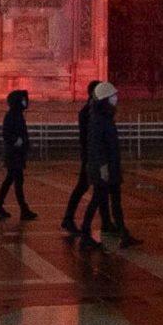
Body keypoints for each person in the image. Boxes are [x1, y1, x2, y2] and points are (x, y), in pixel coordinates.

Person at [77, 80, 134, 250]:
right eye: (113, 95)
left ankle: (123, 233)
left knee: (115, 201)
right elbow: (96, 145)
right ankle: (85, 234)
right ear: (105, 98)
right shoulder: (97, 119)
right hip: (103, 167)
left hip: (110, 165)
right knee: (97, 200)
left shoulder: (106, 116)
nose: (116, 98)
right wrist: (102, 167)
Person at [61, 80, 102, 234]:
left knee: (85, 188)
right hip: (92, 156)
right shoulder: (89, 112)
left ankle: (69, 219)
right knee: (90, 189)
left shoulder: (90, 111)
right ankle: (72, 221)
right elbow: (89, 138)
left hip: (91, 156)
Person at [0, 87, 35, 222]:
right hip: (14, 154)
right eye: (23, 99)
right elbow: (7, 133)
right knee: (17, 181)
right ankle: (23, 209)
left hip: (17, 154)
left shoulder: (17, 115)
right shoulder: (12, 115)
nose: (25, 102)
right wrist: (18, 141)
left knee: (11, 180)